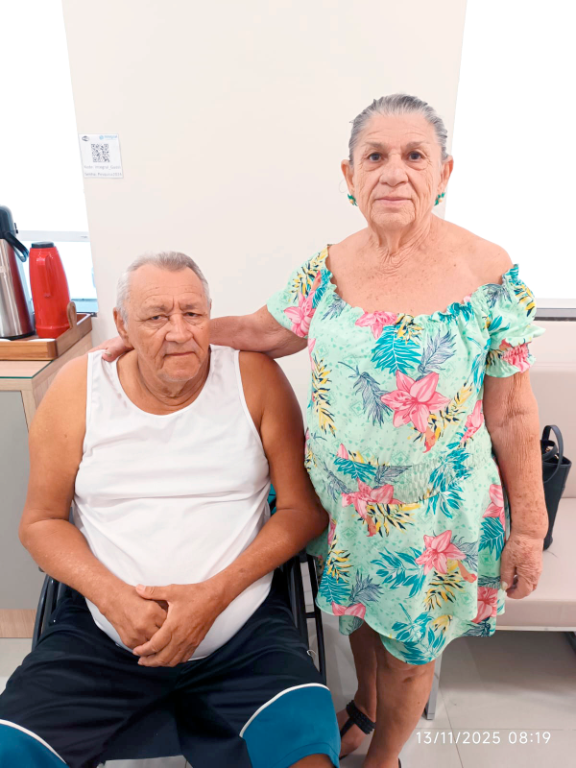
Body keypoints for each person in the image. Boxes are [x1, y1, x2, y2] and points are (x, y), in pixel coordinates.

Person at [97, 93, 549, 768]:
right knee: (362, 625)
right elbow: (263, 330)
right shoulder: (330, 267)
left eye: (414, 155)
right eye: (375, 156)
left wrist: (529, 527)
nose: (393, 172)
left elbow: (512, 412)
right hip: (344, 505)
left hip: (431, 523)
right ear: (349, 176)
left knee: (407, 655)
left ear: (445, 172)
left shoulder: (488, 273)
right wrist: (168, 331)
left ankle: (382, 757)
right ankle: (365, 707)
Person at [0, 252, 340, 768]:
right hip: (101, 635)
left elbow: (302, 510)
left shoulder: (255, 379)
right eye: (157, 316)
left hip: (242, 636)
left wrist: (212, 597)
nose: (179, 332)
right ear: (122, 324)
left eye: (193, 313)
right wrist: (114, 598)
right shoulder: (79, 388)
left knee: (308, 757)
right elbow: (40, 522)